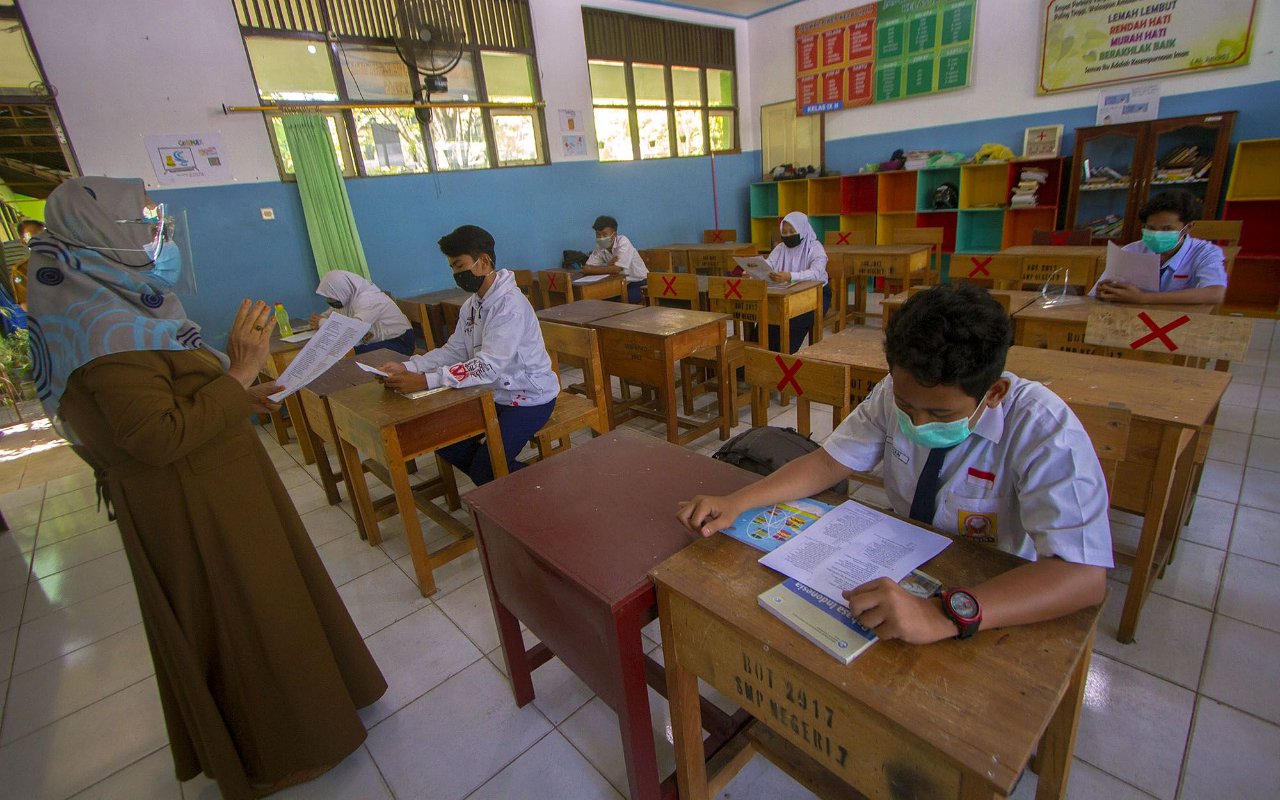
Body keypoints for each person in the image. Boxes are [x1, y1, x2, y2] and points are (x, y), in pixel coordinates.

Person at [27, 177, 386, 800]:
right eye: (138, 221)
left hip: (214, 487)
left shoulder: (123, 308)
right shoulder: (100, 331)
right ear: (101, 235)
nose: (154, 235)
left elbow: (170, 401)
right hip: (193, 509)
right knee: (246, 619)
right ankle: (288, 748)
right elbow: (156, 438)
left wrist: (233, 389)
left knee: (273, 604)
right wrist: (242, 368)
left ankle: (323, 705)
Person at [677, 284, 1111, 644]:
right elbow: (829, 463)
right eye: (907, 407)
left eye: (939, 415)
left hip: (994, 591)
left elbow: (1084, 577)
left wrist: (944, 616)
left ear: (994, 393)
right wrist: (738, 501)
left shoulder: (1045, 429)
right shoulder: (894, 391)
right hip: (907, 561)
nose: (917, 422)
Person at [379, 225, 558, 485]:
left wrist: (426, 381)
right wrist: (410, 367)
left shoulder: (510, 306)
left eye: (459, 266)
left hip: (529, 398)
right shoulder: (473, 304)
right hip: (493, 394)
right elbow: (455, 350)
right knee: (441, 440)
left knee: (485, 470)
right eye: (452, 268)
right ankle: (500, 477)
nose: (456, 274)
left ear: (484, 262)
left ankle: (537, 485)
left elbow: (488, 367)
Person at [1096, 190, 1227, 305]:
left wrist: (1144, 298)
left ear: (1188, 227)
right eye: (1151, 228)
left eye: (1167, 229)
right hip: (1135, 320)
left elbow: (1215, 293)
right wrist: (1107, 290)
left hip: (1181, 321)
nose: (1158, 235)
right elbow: (1105, 290)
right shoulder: (1130, 252)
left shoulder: (1205, 253)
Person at [765, 211, 830, 352]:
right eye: (784, 232)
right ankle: (756, 358)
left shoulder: (815, 247)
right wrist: (754, 270)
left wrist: (790, 276)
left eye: (791, 231)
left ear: (802, 229)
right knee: (767, 319)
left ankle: (781, 357)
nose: (788, 235)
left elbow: (816, 273)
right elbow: (769, 264)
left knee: (793, 322)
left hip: (815, 295)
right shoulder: (781, 248)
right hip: (787, 293)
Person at [309, 269, 414, 356]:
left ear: (342, 289)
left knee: (347, 354)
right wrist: (320, 319)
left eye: (332, 296)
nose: (330, 300)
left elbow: (353, 330)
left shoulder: (369, 300)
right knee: (336, 350)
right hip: (378, 341)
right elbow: (331, 314)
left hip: (398, 342)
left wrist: (322, 323)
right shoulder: (348, 297)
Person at [582, 214, 648, 304]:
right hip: (619, 284)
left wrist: (610, 268)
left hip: (639, 283)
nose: (601, 238)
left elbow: (617, 269)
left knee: (618, 305)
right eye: (598, 234)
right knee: (599, 301)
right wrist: (609, 266)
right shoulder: (600, 246)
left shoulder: (623, 241)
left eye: (605, 234)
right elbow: (586, 268)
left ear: (614, 234)